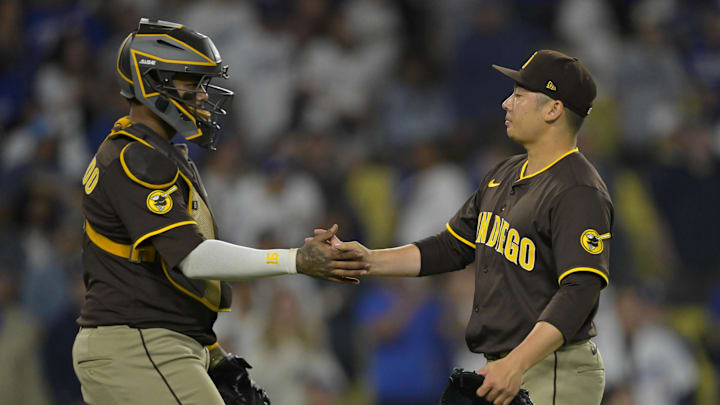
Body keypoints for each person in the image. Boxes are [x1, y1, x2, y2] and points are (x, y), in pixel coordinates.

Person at [72, 18, 366, 405]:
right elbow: (194, 259)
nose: (202, 97)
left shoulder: (154, 154)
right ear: (153, 81)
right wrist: (295, 259)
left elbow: (158, 274)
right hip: (138, 344)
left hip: (146, 343)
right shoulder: (135, 158)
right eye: (192, 84)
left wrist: (208, 350)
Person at [329, 50, 612, 405]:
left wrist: (517, 362)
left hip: (552, 369)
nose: (506, 103)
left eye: (520, 96)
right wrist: (367, 259)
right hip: (507, 366)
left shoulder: (577, 190)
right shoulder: (503, 174)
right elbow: (451, 247)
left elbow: (580, 290)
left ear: (553, 110)